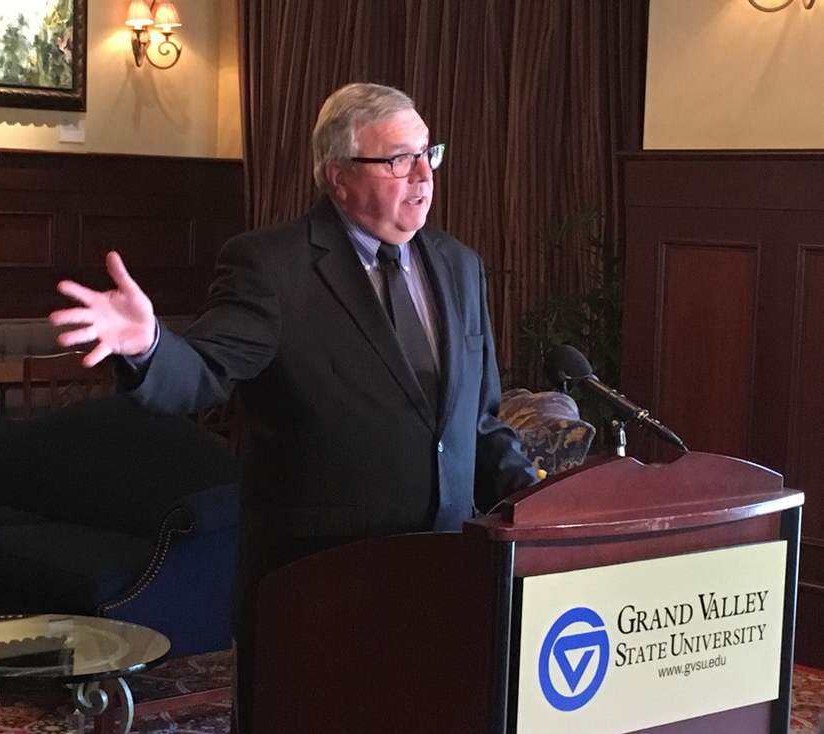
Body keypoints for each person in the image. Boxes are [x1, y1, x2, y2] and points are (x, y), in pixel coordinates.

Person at [50, 82, 537, 732]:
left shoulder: (460, 266)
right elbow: (203, 374)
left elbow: (475, 421)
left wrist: (538, 499)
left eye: (428, 154)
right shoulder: (272, 266)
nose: (422, 174)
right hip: (317, 585)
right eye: (397, 159)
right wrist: (148, 347)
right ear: (337, 175)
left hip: (442, 577)